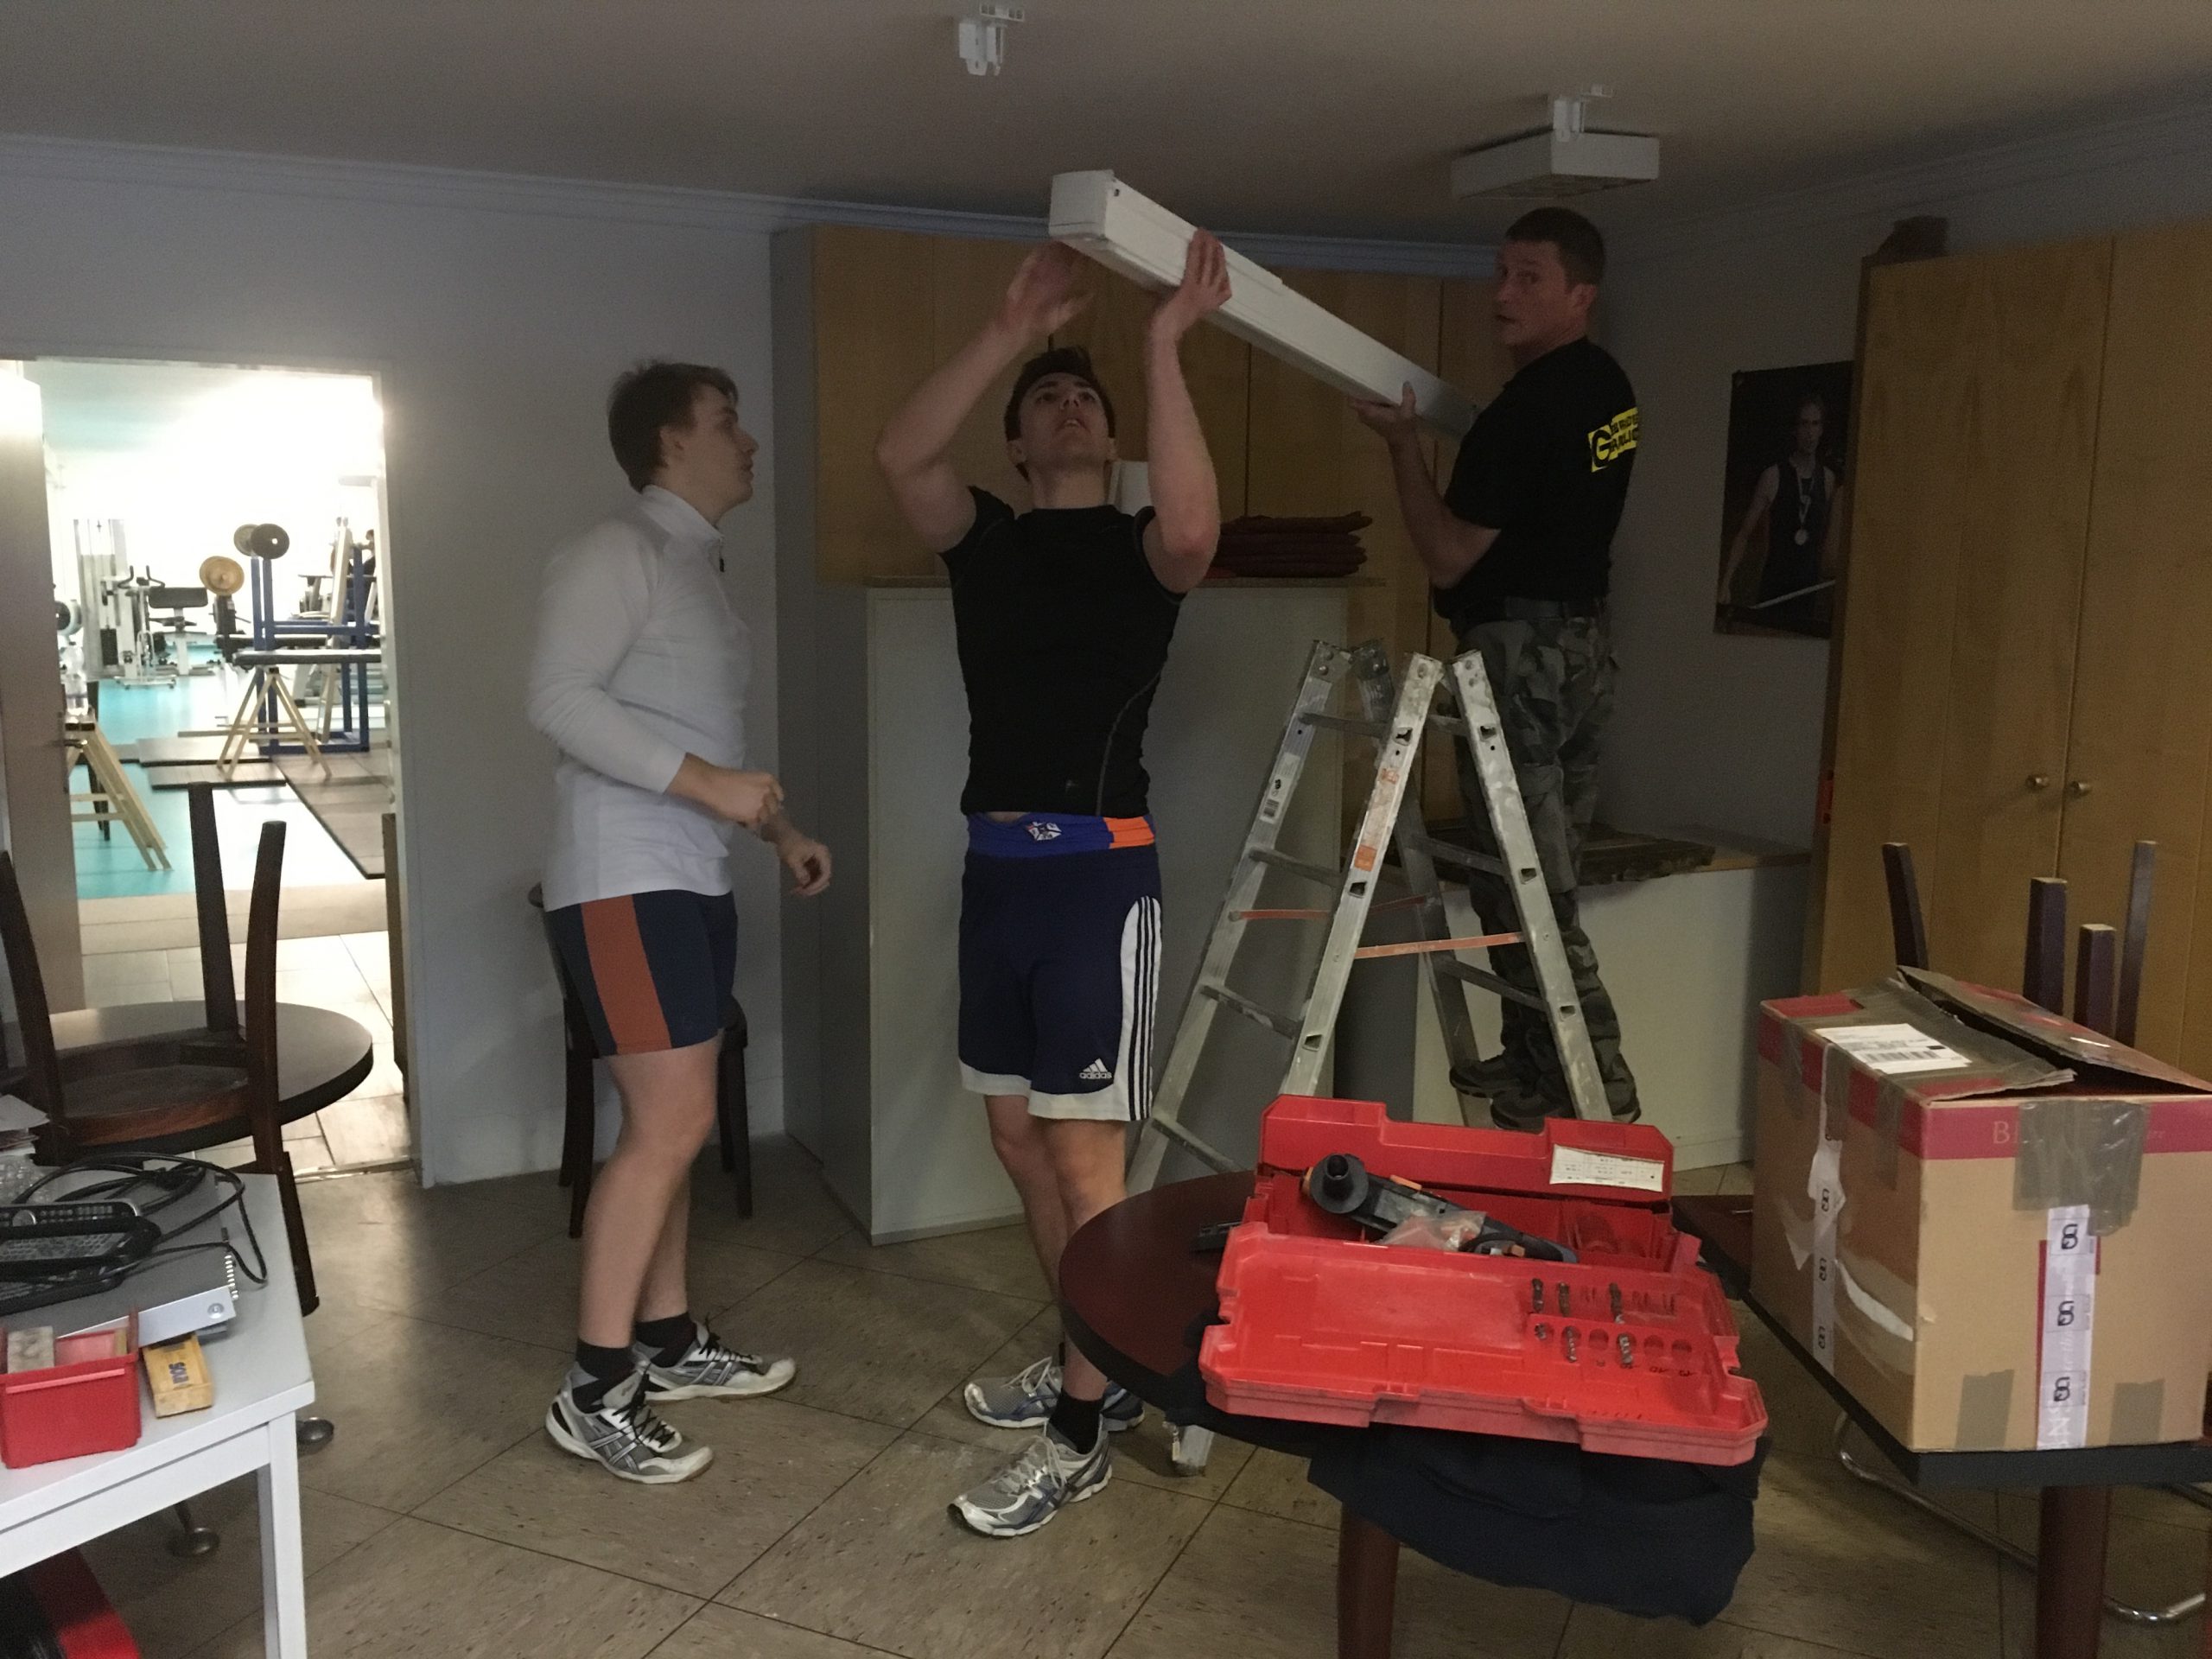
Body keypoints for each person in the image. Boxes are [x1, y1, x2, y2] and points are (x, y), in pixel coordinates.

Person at [874, 234, 1230, 1535]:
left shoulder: (1144, 550)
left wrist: (1161, 342)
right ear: (1019, 444)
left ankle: (1081, 1433)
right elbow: (903, 457)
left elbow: (1195, 527)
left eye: (1088, 399)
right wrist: (1009, 333)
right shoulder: (988, 542)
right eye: (1047, 400)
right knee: (1018, 1142)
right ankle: (1101, 1359)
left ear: (1114, 440)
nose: (1068, 407)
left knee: (1088, 1165)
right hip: (996, 878)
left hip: (1096, 884)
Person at [527, 360, 832, 1484]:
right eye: (726, 422)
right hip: (622, 879)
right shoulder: (617, 550)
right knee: (670, 1123)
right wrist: (712, 787)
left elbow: (694, 736)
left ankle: (665, 1339)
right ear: (670, 443)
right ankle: (595, 1389)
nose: (747, 441)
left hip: (685, 875)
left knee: (670, 1124)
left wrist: (776, 829)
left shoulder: (693, 564)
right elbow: (558, 699)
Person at [1352, 206, 1640, 1128]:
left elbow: (1446, 557)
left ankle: (1601, 1102)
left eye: (1528, 278)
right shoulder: (1608, 388)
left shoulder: (1524, 414)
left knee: (1531, 889)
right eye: (1500, 274)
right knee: (1527, 875)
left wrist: (1403, 448)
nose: (1501, 295)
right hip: (1584, 649)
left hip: (1519, 656)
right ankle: (1535, 1061)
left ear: (1580, 294)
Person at [1717, 392, 1841, 635]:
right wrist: (1725, 583)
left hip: (1807, 592)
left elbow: (1829, 542)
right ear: (1794, 429)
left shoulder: (1828, 480)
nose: (1809, 433)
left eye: (1815, 424)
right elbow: (1744, 534)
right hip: (1774, 589)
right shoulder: (1773, 476)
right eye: (1804, 424)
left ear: (1821, 430)